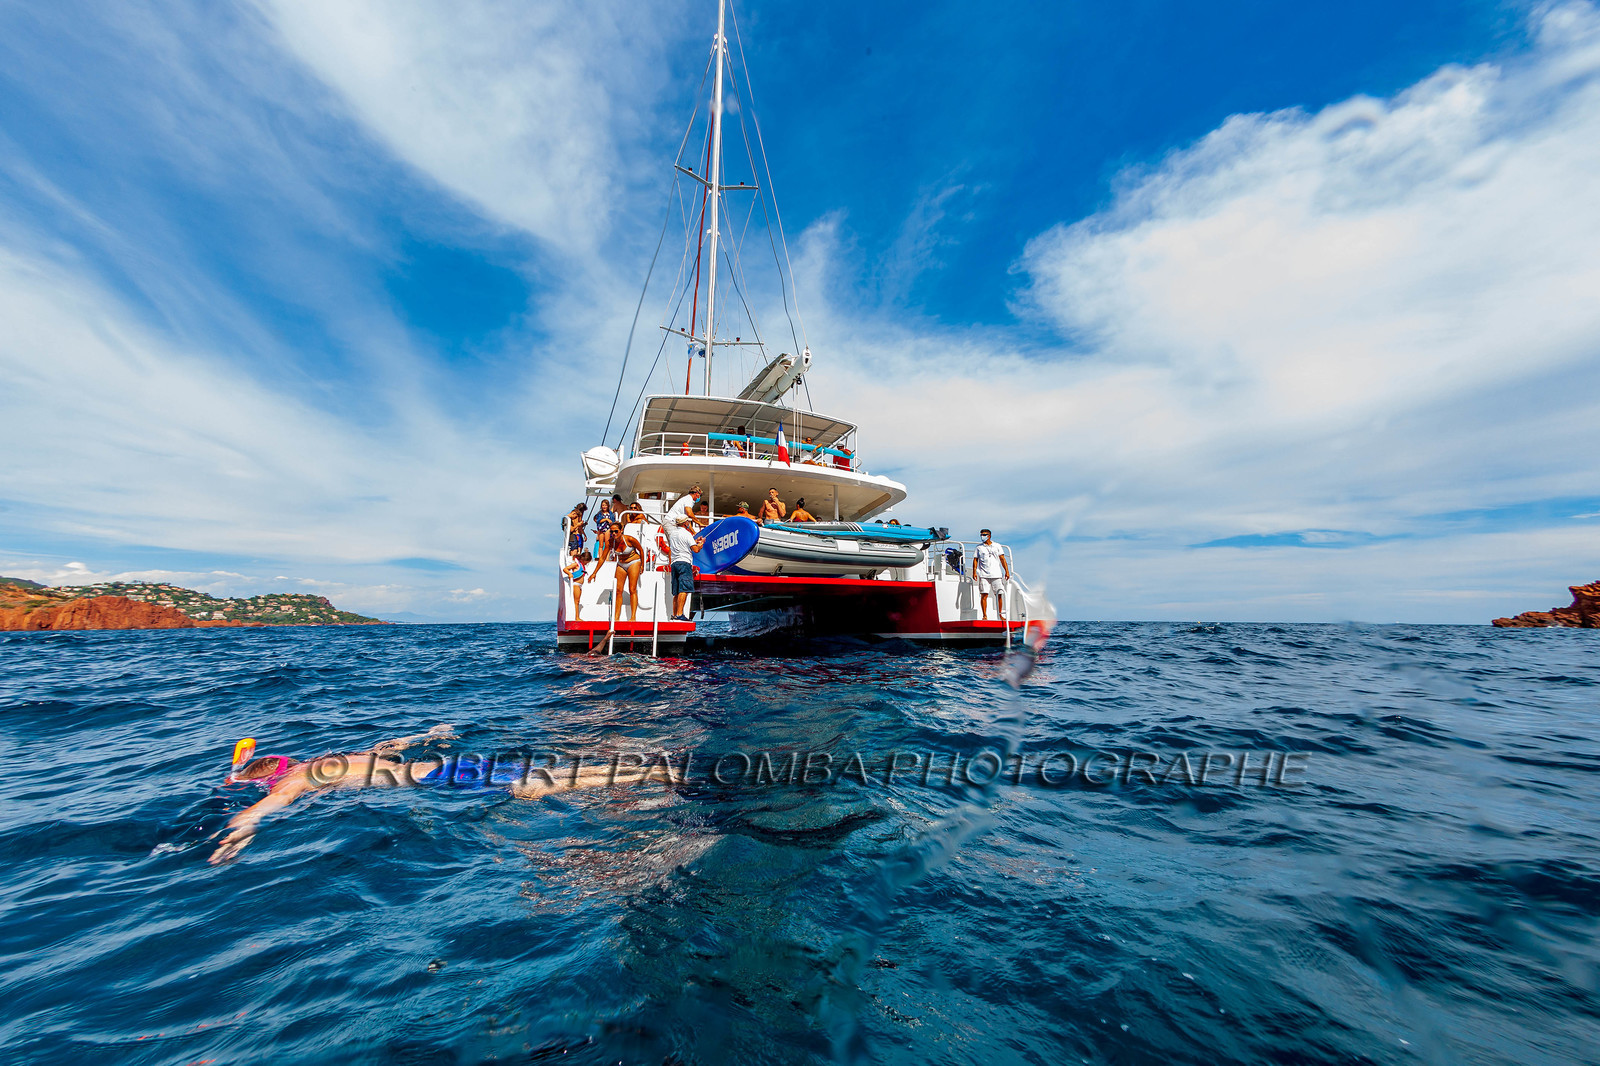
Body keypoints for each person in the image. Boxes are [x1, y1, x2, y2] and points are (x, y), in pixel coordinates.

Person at [209, 731, 631, 864]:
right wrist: (429, 735)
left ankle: (640, 778)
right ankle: (636, 769)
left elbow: (267, 806)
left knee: (533, 789)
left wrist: (244, 824)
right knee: (542, 776)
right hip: (448, 766)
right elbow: (386, 748)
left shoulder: (296, 781)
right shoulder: (334, 758)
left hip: (442, 784)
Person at [590, 523, 647, 626]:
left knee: (632, 589)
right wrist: (594, 573)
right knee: (618, 591)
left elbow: (641, 550)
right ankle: (616, 617)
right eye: (611, 531)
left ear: (621, 530)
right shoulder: (610, 542)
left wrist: (642, 565)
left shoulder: (629, 539)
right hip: (621, 564)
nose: (613, 533)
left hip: (633, 562)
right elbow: (602, 557)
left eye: (616, 531)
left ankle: (633, 617)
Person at [667, 516, 706, 620]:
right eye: (688, 521)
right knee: (684, 589)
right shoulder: (686, 533)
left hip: (674, 563)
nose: (689, 523)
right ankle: (680, 614)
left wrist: (695, 541)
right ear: (685, 523)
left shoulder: (672, 534)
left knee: (676, 591)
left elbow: (683, 544)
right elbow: (696, 549)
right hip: (684, 563)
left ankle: (675, 615)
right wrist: (701, 543)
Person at [973, 528, 1011, 621]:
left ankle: (1000, 614)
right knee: (984, 594)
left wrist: (1007, 571)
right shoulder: (979, 547)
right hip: (983, 574)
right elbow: (975, 560)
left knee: (999, 594)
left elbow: (1002, 559)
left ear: (989, 536)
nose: (982, 536)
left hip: (996, 574)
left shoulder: (997, 546)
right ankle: (984, 615)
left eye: (984, 534)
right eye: (981, 535)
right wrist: (974, 572)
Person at [564, 551, 592, 615]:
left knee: (578, 601)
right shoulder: (576, 564)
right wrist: (569, 574)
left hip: (580, 585)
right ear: (583, 559)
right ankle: (577, 617)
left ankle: (577, 616)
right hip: (576, 584)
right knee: (576, 602)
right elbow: (565, 569)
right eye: (586, 562)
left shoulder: (581, 565)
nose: (586, 564)